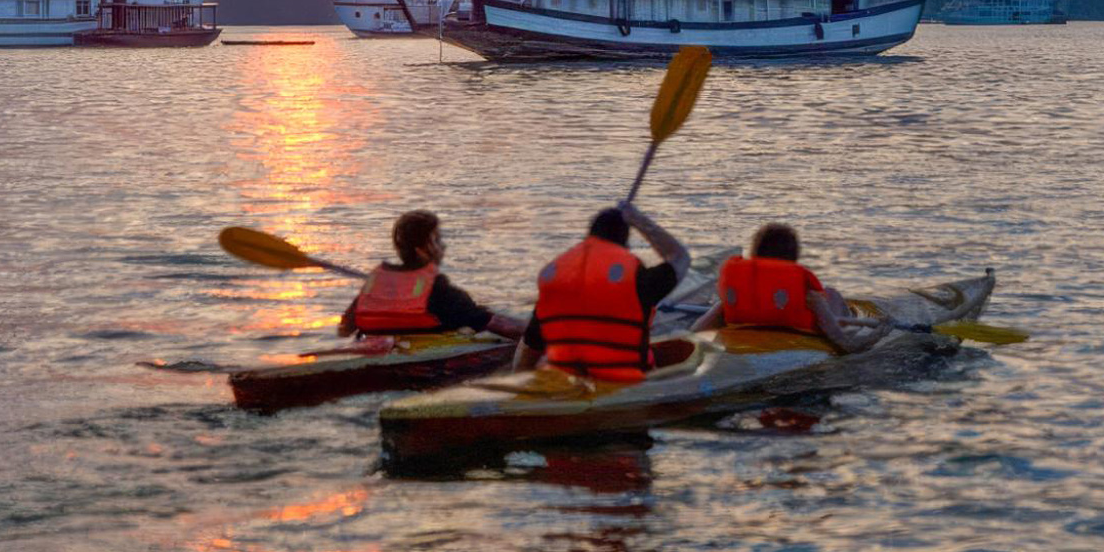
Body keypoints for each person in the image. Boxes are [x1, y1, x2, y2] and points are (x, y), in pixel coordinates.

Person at [514, 201, 692, 380]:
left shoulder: (555, 279)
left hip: (569, 380)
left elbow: (530, 345)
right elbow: (680, 257)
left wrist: (519, 381)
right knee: (679, 338)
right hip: (624, 381)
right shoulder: (638, 280)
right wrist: (638, 220)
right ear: (624, 244)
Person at [691, 222, 889, 353]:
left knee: (723, 305)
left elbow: (696, 331)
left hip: (740, 338)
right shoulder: (807, 293)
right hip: (799, 338)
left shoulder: (741, 287)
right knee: (831, 294)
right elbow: (845, 345)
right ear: (793, 256)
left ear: (755, 254)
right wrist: (880, 334)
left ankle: (839, 319)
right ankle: (842, 319)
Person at [338, 210, 524, 340]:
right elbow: (498, 325)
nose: (443, 246)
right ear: (421, 250)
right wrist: (535, 334)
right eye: (436, 240)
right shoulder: (440, 290)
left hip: (376, 352)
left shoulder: (375, 283)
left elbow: (344, 330)